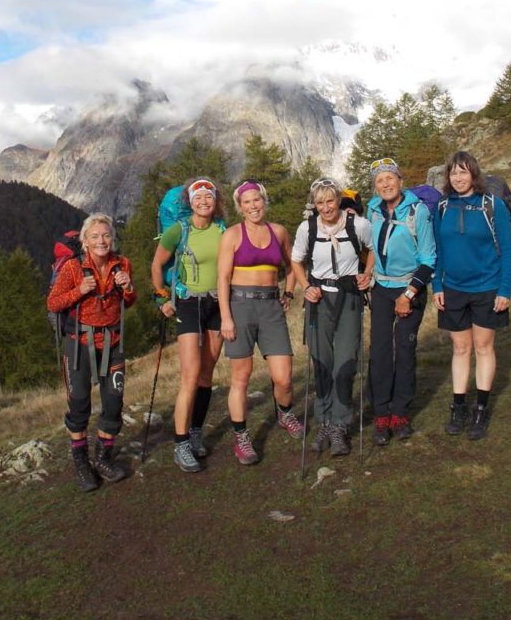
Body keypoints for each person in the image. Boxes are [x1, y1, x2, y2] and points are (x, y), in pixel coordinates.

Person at [47, 213, 136, 492]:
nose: (101, 241)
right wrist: (78, 291)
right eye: (95, 236)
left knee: (113, 403)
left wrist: (128, 287)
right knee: (79, 404)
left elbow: (129, 301)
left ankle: (103, 459)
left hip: (112, 341)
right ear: (85, 241)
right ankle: (82, 463)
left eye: (106, 235)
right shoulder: (73, 269)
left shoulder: (122, 265)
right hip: (79, 343)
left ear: (113, 238)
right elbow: (53, 302)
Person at [217, 179, 301, 465]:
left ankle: (284, 412)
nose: (253, 206)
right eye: (247, 202)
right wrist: (226, 317)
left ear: (264, 201)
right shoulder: (231, 235)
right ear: (240, 207)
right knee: (241, 376)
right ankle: (241, 437)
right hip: (240, 306)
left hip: (271, 306)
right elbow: (223, 279)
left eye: (257, 200)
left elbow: (293, 265)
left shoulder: (278, 232)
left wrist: (289, 292)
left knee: (283, 377)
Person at [432, 151, 511, 441]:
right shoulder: (442, 207)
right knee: (460, 349)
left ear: (474, 175)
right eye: (453, 173)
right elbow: (439, 251)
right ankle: (458, 407)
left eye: (463, 172)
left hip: (487, 288)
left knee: (483, 347)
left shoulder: (493, 206)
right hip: (453, 288)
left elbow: (507, 250)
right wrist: (437, 286)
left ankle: (480, 409)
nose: (458, 178)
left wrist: (505, 289)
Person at [291, 177, 374, 456]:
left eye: (330, 200)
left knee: (346, 362)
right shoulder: (308, 228)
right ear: (314, 204)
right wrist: (306, 288)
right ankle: (324, 421)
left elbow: (371, 249)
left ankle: (340, 424)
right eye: (320, 202)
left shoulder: (358, 225)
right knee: (321, 360)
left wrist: (367, 273)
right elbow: (296, 260)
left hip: (349, 297)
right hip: (319, 298)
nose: (326, 207)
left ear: (338, 199)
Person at [150, 178, 226, 473]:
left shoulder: (222, 230)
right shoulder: (178, 230)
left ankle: (195, 432)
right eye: (198, 197)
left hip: (217, 304)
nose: (204, 201)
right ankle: (180, 443)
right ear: (189, 202)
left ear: (216, 201)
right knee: (190, 374)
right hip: (188, 304)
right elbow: (157, 265)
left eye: (209, 196)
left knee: (207, 373)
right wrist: (160, 299)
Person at [366, 158, 436, 446]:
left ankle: (400, 412)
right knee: (380, 350)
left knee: (405, 349)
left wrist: (408, 295)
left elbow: (429, 259)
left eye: (390, 178)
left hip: (410, 288)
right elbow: (368, 247)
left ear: (400, 180)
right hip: (381, 287)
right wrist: (366, 273)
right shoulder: (372, 210)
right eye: (380, 180)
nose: (385, 184)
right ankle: (381, 413)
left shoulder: (417, 211)